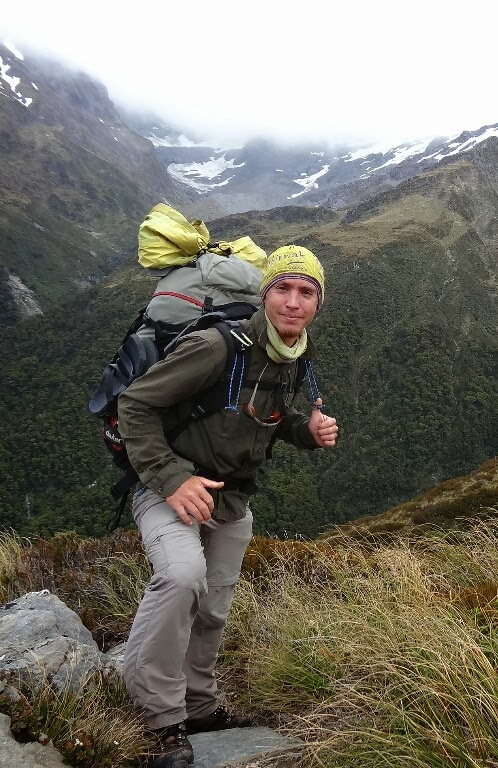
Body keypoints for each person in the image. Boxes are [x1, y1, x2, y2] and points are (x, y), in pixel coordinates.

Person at [117, 245, 338, 768]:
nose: (293, 302)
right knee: (181, 577)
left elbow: (262, 417)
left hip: (231, 497)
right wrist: (173, 480)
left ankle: (199, 704)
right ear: (264, 295)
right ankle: (158, 716)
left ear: (318, 303)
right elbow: (136, 404)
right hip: (166, 485)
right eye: (283, 289)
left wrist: (304, 431)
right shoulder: (217, 347)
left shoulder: (293, 354)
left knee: (214, 605)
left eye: (306, 292)